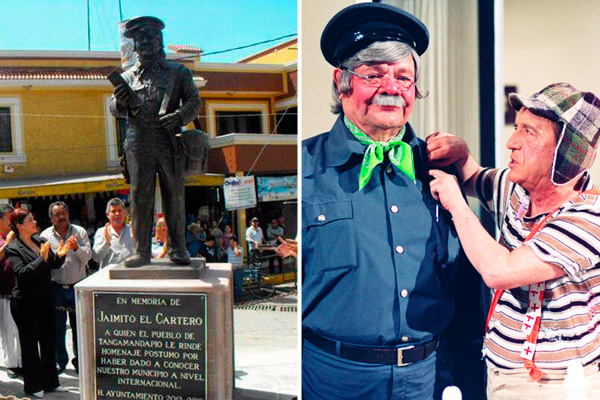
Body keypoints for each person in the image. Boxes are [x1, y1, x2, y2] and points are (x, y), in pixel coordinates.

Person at [301, 4, 486, 399]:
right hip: (330, 381)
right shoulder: (303, 168)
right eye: (373, 75)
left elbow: (467, 290)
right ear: (342, 82)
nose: (391, 88)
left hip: (428, 378)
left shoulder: (441, 169)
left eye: (404, 77)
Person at [427, 83, 600, 399]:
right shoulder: (520, 191)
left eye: (529, 132)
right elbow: (474, 178)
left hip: (555, 388)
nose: (511, 142)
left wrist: (454, 202)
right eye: (516, 127)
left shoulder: (588, 219)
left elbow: (500, 271)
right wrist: (462, 153)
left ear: (564, 154)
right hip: (500, 377)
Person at [110, 16, 201, 268]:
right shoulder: (127, 77)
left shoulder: (178, 72)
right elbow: (113, 109)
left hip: (168, 137)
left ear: (160, 40)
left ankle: (178, 248)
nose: (145, 42)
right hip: (138, 140)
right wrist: (119, 102)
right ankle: (141, 251)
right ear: (135, 45)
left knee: (174, 193)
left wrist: (179, 116)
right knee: (140, 196)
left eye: (150, 36)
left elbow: (195, 102)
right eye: (140, 38)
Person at [7, 208, 70, 397]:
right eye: (30, 220)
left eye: (33, 218)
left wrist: (62, 253)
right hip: (25, 303)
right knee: (30, 345)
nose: (34, 222)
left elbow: (52, 264)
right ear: (19, 226)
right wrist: (41, 259)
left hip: (45, 299)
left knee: (48, 340)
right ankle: (34, 386)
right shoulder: (13, 248)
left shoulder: (41, 241)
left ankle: (51, 381)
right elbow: (23, 274)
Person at [40, 201, 91, 374]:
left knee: (79, 328)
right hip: (56, 288)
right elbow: (44, 263)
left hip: (78, 287)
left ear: (68, 213)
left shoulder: (80, 232)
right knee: (58, 328)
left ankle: (79, 361)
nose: (61, 217)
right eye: (57, 215)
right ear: (51, 218)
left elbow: (88, 257)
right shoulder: (45, 236)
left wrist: (76, 248)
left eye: (64, 213)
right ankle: (60, 362)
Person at [0, 204, 21, 379]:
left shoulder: (18, 236)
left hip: (20, 291)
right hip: (4, 292)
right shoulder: (4, 239)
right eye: (9, 218)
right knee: (7, 331)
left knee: (20, 330)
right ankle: (11, 363)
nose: (11, 222)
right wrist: (7, 242)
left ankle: (21, 362)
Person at [92, 198, 134, 269]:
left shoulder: (133, 230)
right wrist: (106, 242)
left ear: (125, 213)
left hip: (130, 274)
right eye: (113, 211)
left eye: (119, 211)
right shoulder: (101, 232)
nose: (117, 214)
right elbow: (96, 258)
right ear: (108, 214)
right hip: (109, 276)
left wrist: (135, 238)